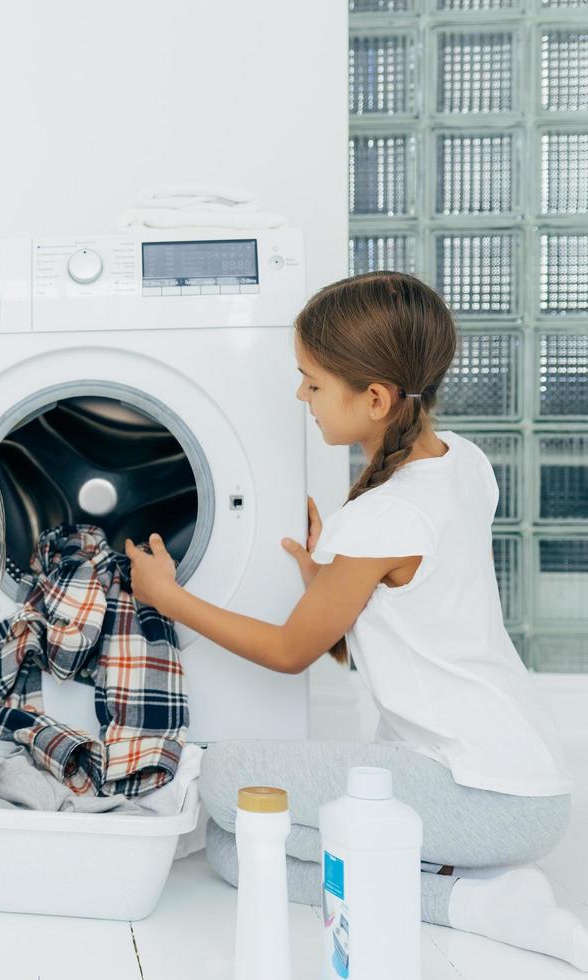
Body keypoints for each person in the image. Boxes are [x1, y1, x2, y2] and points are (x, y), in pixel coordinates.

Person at [124, 270, 586, 971]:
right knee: (234, 852)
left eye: (311, 382)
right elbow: (417, 606)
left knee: (225, 783)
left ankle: (476, 902)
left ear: (373, 398)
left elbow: (289, 652)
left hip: (482, 792)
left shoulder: (380, 516)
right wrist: (328, 579)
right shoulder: (464, 463)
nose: (301, 397)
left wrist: (168, 596)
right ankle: (460, 879)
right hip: (531, 779)